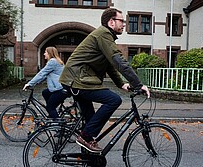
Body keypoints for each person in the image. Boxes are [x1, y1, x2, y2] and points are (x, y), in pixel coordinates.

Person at [59, 8, 150, 153]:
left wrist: (121, 84)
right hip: (77, 80)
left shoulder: (105, 35)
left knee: (91, 120)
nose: (124, 24)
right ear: (111, 22)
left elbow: (109, 64)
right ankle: (85, 137)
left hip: (77, 80)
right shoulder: (104, 34)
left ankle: (89, 154)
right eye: (122, 21)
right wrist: (138, 84)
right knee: (113, 100)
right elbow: (118, 61)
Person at [23, 46, 68, 118]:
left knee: (50, 107)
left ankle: (56, 124)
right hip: (60, 87)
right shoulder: (56, 61)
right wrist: (34, 84)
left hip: (60, 89)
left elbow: (41, 73)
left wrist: (29, 83)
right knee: (45, 92)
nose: (44, 54)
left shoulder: (52, 61)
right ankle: (52, 113)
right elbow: (44, 76)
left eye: (45, 52)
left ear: (50, 53)